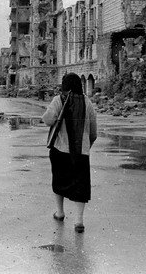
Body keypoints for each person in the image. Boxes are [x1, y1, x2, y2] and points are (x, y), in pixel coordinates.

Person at [42, 73, 97, 233]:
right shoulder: (87, 102)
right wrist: (86, 146)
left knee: (59, 181)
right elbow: (94, 132)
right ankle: (79, 221)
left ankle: (60, 213)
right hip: (81, 152)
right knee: (81, 186)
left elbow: (47, 120)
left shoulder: (59, 100)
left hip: (60, 149)